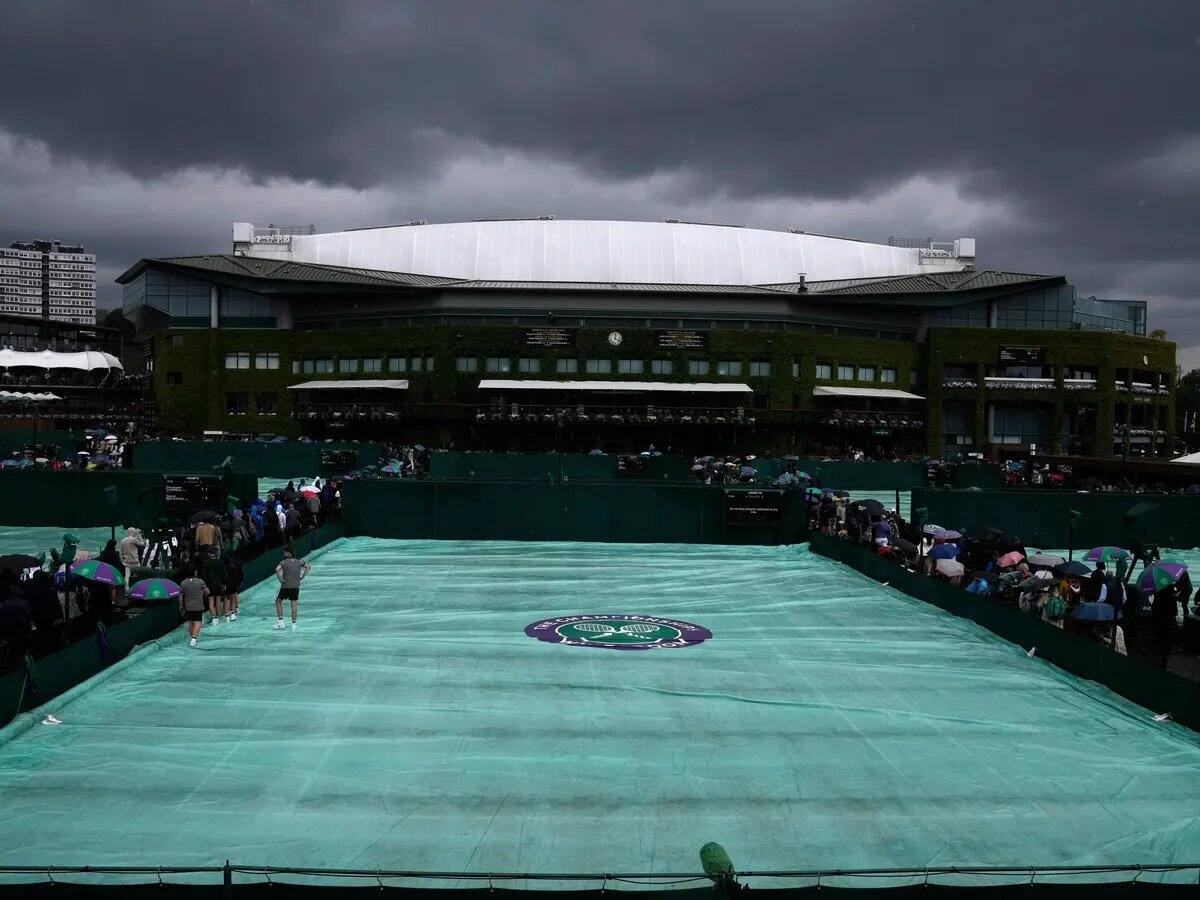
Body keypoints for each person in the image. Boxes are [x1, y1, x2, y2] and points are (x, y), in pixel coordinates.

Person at [274, 546, 311, 631]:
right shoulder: (299, 561)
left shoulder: (283, 562)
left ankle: (281, 622)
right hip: (295, 587)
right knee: (293, 604)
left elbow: (277, 569)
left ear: (288, 553)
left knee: (278, 601)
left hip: (285, 586)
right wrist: (302, 577)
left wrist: (280, 579)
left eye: (285, 552)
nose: (284, 554)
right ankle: (294, 624)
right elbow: (308, 567)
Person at [178, 567, 209, 649]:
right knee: (198, 622)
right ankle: (194, 639)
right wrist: (202, 595)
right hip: (198, 606)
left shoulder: (183, 583)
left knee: (191, 622)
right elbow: (207, 591)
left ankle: (192, 637)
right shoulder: (200, 581)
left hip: (188, 607)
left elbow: (180, 595)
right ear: (195, 572)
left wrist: (181, 605)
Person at [199, 549, 228, 627]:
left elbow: (204, 576)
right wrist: (224, 583)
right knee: (218, 600)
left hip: (209, 585)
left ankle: (214, 618)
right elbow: (223, 573)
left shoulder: (205, 563)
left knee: (211, 603)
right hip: (218, 584)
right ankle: (218, 617)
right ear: (215, 554)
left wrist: (204, 587)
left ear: (209, 554)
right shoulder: (220, 562)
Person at [221, 548, 243, 622]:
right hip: (233, 585)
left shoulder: (222, 568)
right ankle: (232, 614)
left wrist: (223, 585)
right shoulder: (232, 567)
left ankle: (227, 616)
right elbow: (235, 577)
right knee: (232, 599)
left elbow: (223, 578)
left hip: (225, 586)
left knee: (225, 600)